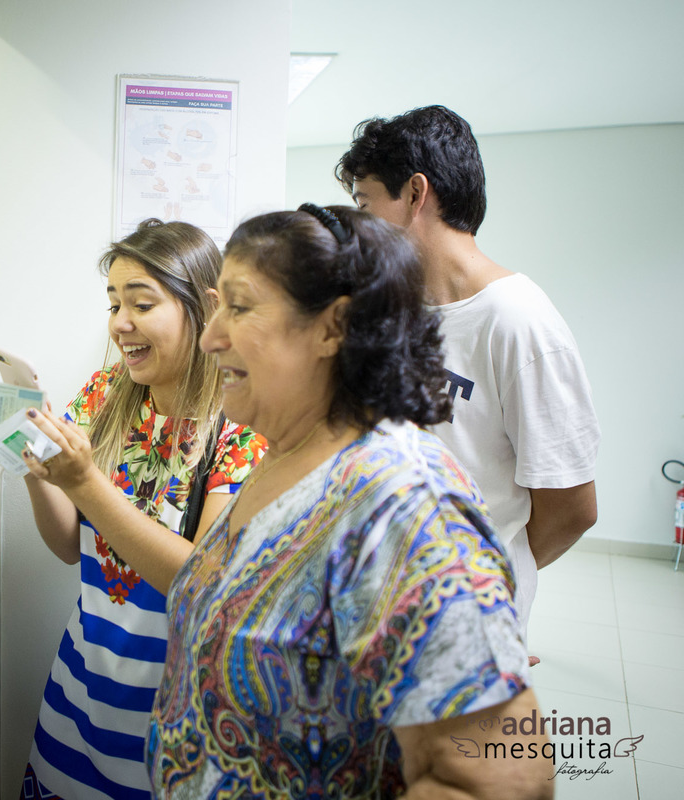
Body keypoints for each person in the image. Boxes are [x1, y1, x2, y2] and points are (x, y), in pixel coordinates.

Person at [146, 206, 552, 798]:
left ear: (333, 327)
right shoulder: (283, 455)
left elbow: (504, 777)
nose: (210, 337)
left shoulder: (405, 501)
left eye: (239, 306)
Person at [336, 105, 600, 656]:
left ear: (414, 194)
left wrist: (484, 578)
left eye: (365, 205)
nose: (358, 227)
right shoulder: (392, 309)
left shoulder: (518, 321)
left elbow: (572, 507)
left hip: (470, 624)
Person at [17, 219, 266, 800]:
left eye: (141, 303)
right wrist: (39, 472)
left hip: (173, 706)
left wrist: (83, 483)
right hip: (82, 681)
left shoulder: (240, 428)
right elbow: (66, 548)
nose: (119, 324)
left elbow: (198, 581)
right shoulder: (104, 395)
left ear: (203, 307)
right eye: (113, 304)